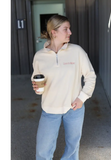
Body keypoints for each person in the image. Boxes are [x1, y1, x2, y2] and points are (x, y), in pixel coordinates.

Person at [31, 15, 96, 160]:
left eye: (70, 29)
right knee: (43, 150)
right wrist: (36, 87)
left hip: (74, 108)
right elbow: (36, 78)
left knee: (73, 148)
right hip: (49, 108)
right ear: (53, 32)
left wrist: (82, 98)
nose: (70, 32)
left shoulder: (77, 51)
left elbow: (90, 76)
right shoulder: (39, 56)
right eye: (66, 29)